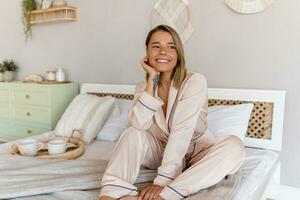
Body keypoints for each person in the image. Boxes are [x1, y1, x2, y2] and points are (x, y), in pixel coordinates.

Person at [99, 24, 245, 200]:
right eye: (156, 46)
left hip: (198, 156)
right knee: (131, 133)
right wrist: (152, 81)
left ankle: (168, 194)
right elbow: (139, 124)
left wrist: (162, 183)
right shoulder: (142, 87)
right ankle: (111, 194)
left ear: (178, 54)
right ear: (147, 51)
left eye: (171, 46)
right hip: (162, 153)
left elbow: (181, 131)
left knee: (234, 146)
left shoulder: (194, 81)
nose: (163, 52)